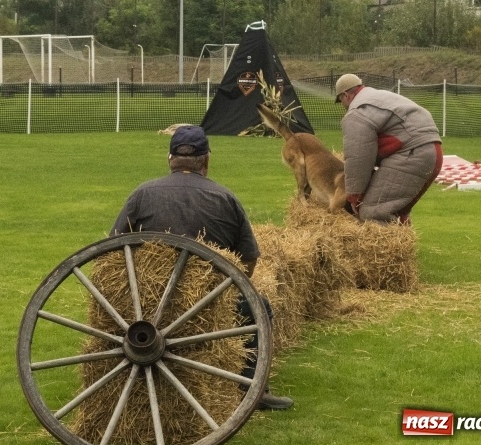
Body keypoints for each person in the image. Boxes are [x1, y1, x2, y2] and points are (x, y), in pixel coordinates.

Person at [109, 125, 293, 411]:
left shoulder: (142, 195)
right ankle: (253, 388)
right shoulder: (225, 198)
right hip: (209, 302)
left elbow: (112, 250)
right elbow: (248, 259)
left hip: (144, 301)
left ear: (170, 159)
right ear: (206, 160)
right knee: (259, 307)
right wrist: (229, 287)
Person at [335, 73, 444, 225]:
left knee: (372, 212)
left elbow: (359, 158)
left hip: (413, 153)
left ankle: (384, 241)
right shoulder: (378, 97)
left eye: (340, 100)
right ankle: (403, 237)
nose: (343, 106)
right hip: (430, 151)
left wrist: (354, 195)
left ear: (345, 95)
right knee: (398, 210)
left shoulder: (357, 113)